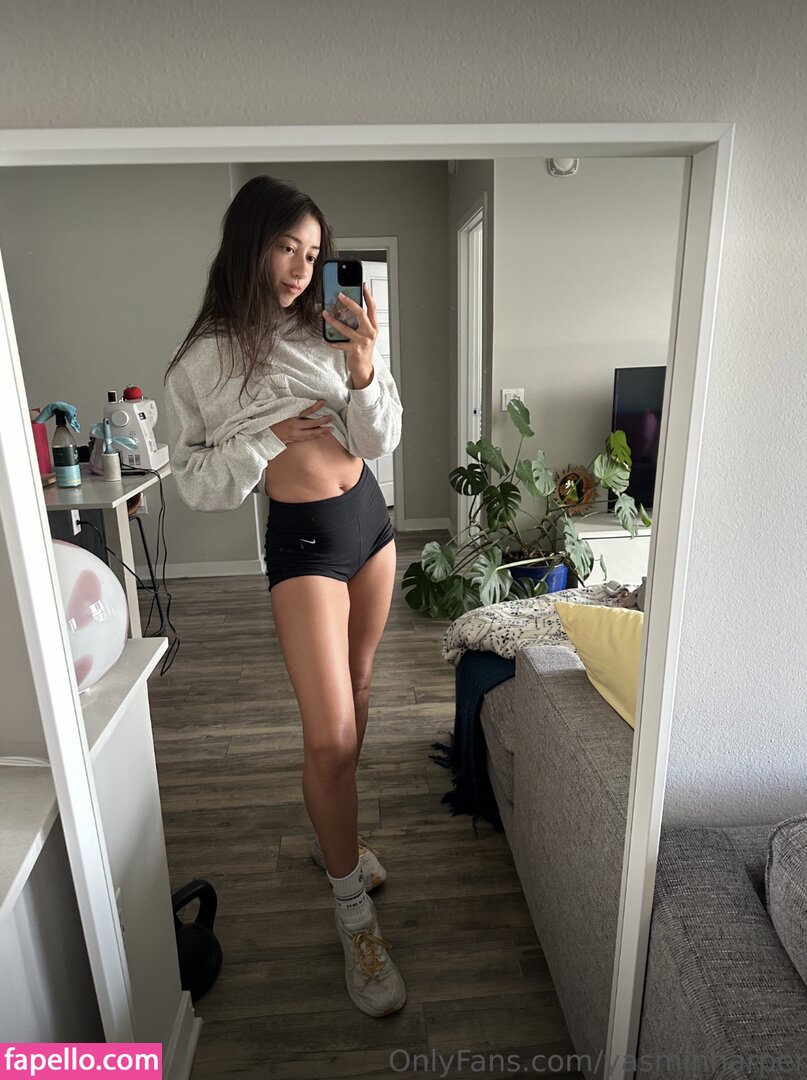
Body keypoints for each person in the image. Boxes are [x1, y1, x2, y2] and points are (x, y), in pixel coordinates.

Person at [163, 176, 405, 1017]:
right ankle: (353, 916)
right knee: (328, 737)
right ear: (250, 243)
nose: (302, 267)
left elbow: (379, 438)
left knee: (360, 694)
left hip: (370, 523)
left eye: (313, 251)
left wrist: (365, 368)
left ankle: (338, 840)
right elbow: (194, 481)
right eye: (285, 247)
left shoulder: (331, 329)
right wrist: (266, 438)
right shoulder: (203, 362)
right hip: (304, 543)